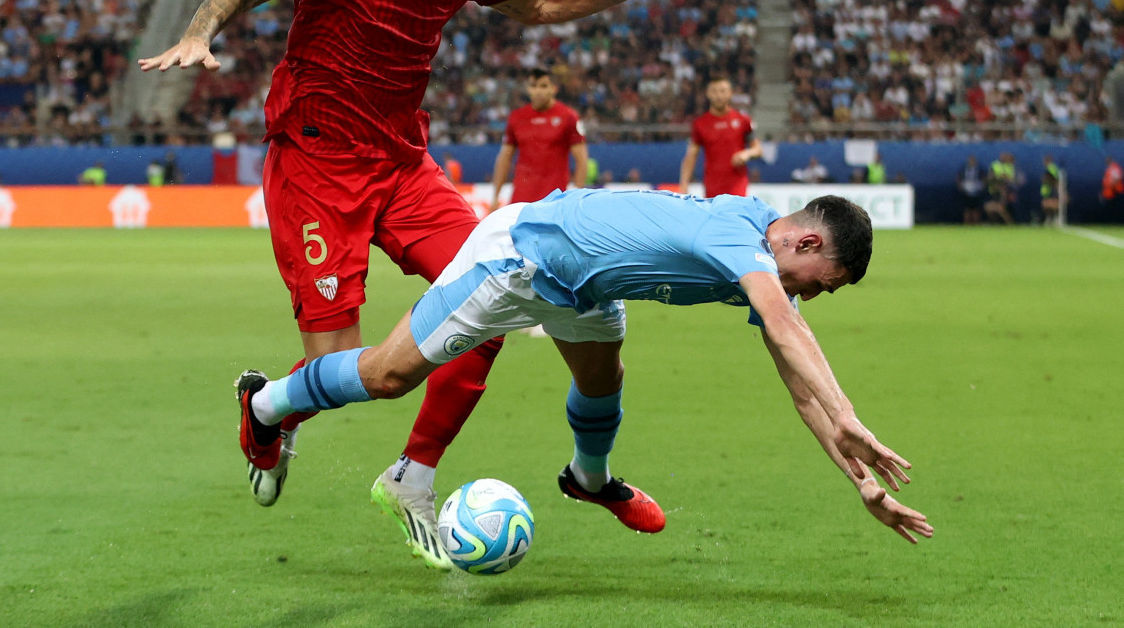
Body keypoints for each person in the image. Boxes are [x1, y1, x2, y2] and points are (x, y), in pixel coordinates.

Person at [138, 0, 679, 569]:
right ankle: (266, 407)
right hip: (316, 165)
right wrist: (199, 32)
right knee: (339, 364)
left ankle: (412, 477)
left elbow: (539, 3)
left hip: (402, 165)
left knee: (490, 298)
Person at [236, 191, 934, 548]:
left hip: (587, 287)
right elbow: (788, 327)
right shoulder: (741, 241)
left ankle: (587, 479)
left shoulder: (756, 244)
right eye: (823, 280)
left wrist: (863, 483)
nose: (813, 294)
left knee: (604, 379)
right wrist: (850, 414)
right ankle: (267, 404)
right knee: (390, 374)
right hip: (522, 258)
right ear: (807, 241)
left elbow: (793, 370)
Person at [490, 66, 588, 209]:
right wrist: (495, 196)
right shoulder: (516, 118)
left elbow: (582, 160)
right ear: (528, 89)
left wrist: (576, 197)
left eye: (543, 86)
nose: (538, 91)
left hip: (554, 204)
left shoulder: (568, 117)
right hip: (520, 203)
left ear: (553, 89)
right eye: (533, 86)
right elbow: (504, 158)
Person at [678, 75, 762, 197]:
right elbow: (691, 156)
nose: (719, 96)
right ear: (708, 93)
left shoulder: (743, 121)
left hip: (737, 188)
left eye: (723, 91)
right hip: (712, 189)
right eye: (714, 91)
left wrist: (746, 154)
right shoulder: (700, 124)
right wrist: (684, 184)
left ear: (730, 93)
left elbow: (758, 149)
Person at [984, 152, 1022, 225]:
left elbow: (1012, 180)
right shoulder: (995, 165)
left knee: (1000, 208)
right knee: (990, 207)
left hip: (1009, 192)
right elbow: (990, 178)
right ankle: (996, 223)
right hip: (996, 193)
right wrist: (997, 178)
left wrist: (1004, 179)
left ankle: (1010, 223)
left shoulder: (1010, 167)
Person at [956, 155, 985, 225]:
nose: (972, 162)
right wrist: (960, 187)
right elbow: (958, 179)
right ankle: (967, 224)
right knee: (967, 209)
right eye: (971, 160)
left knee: (976, 209)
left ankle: (976, 223)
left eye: (973, 161)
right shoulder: (963, 170)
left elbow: (984, 179)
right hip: (966, 191)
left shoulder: (980, 170)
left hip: (976, 191)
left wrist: (981, 187)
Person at [1039, 154, 1062, 226]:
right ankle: (1050, 218)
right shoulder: (1049, 168)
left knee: (1052, 204)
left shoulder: (1052, 167)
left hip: (1051, 189)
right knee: (1046, 204)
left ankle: (1055, 218)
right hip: (1046, 190)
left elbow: (1054, 179)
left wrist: (1045, 180)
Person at [1101, 155, 1124, 221]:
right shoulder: (1109, 168)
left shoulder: (1114, 168)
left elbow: (1118, 178)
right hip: (1109, 192)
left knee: (1115, 208)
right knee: (1110, 208)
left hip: (1115, 191)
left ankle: (1117, 220)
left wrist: (1112, 185)